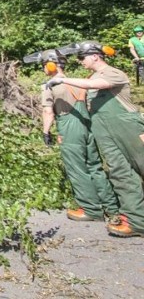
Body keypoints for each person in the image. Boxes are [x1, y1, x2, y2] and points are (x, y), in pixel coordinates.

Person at [48, 41, 144, 237]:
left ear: (95, 56)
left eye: (82, 58)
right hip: (104, 131)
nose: (80, 61)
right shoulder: (91, 77)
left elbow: (96, 85)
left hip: (127, 127)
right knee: (120, 172)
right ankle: (136, 220)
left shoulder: (112, 73)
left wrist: (63, 80)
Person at [39, 49, 119, 222]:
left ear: (51, 65)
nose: (43, 69)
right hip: (87, 124)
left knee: (76, 168)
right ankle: (111, 208)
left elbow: (48, 112)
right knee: (95, 166)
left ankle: (90, 209)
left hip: (68, 124)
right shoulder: (80, 82)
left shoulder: (49, 85)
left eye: (44, 65)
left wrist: (46, 132)